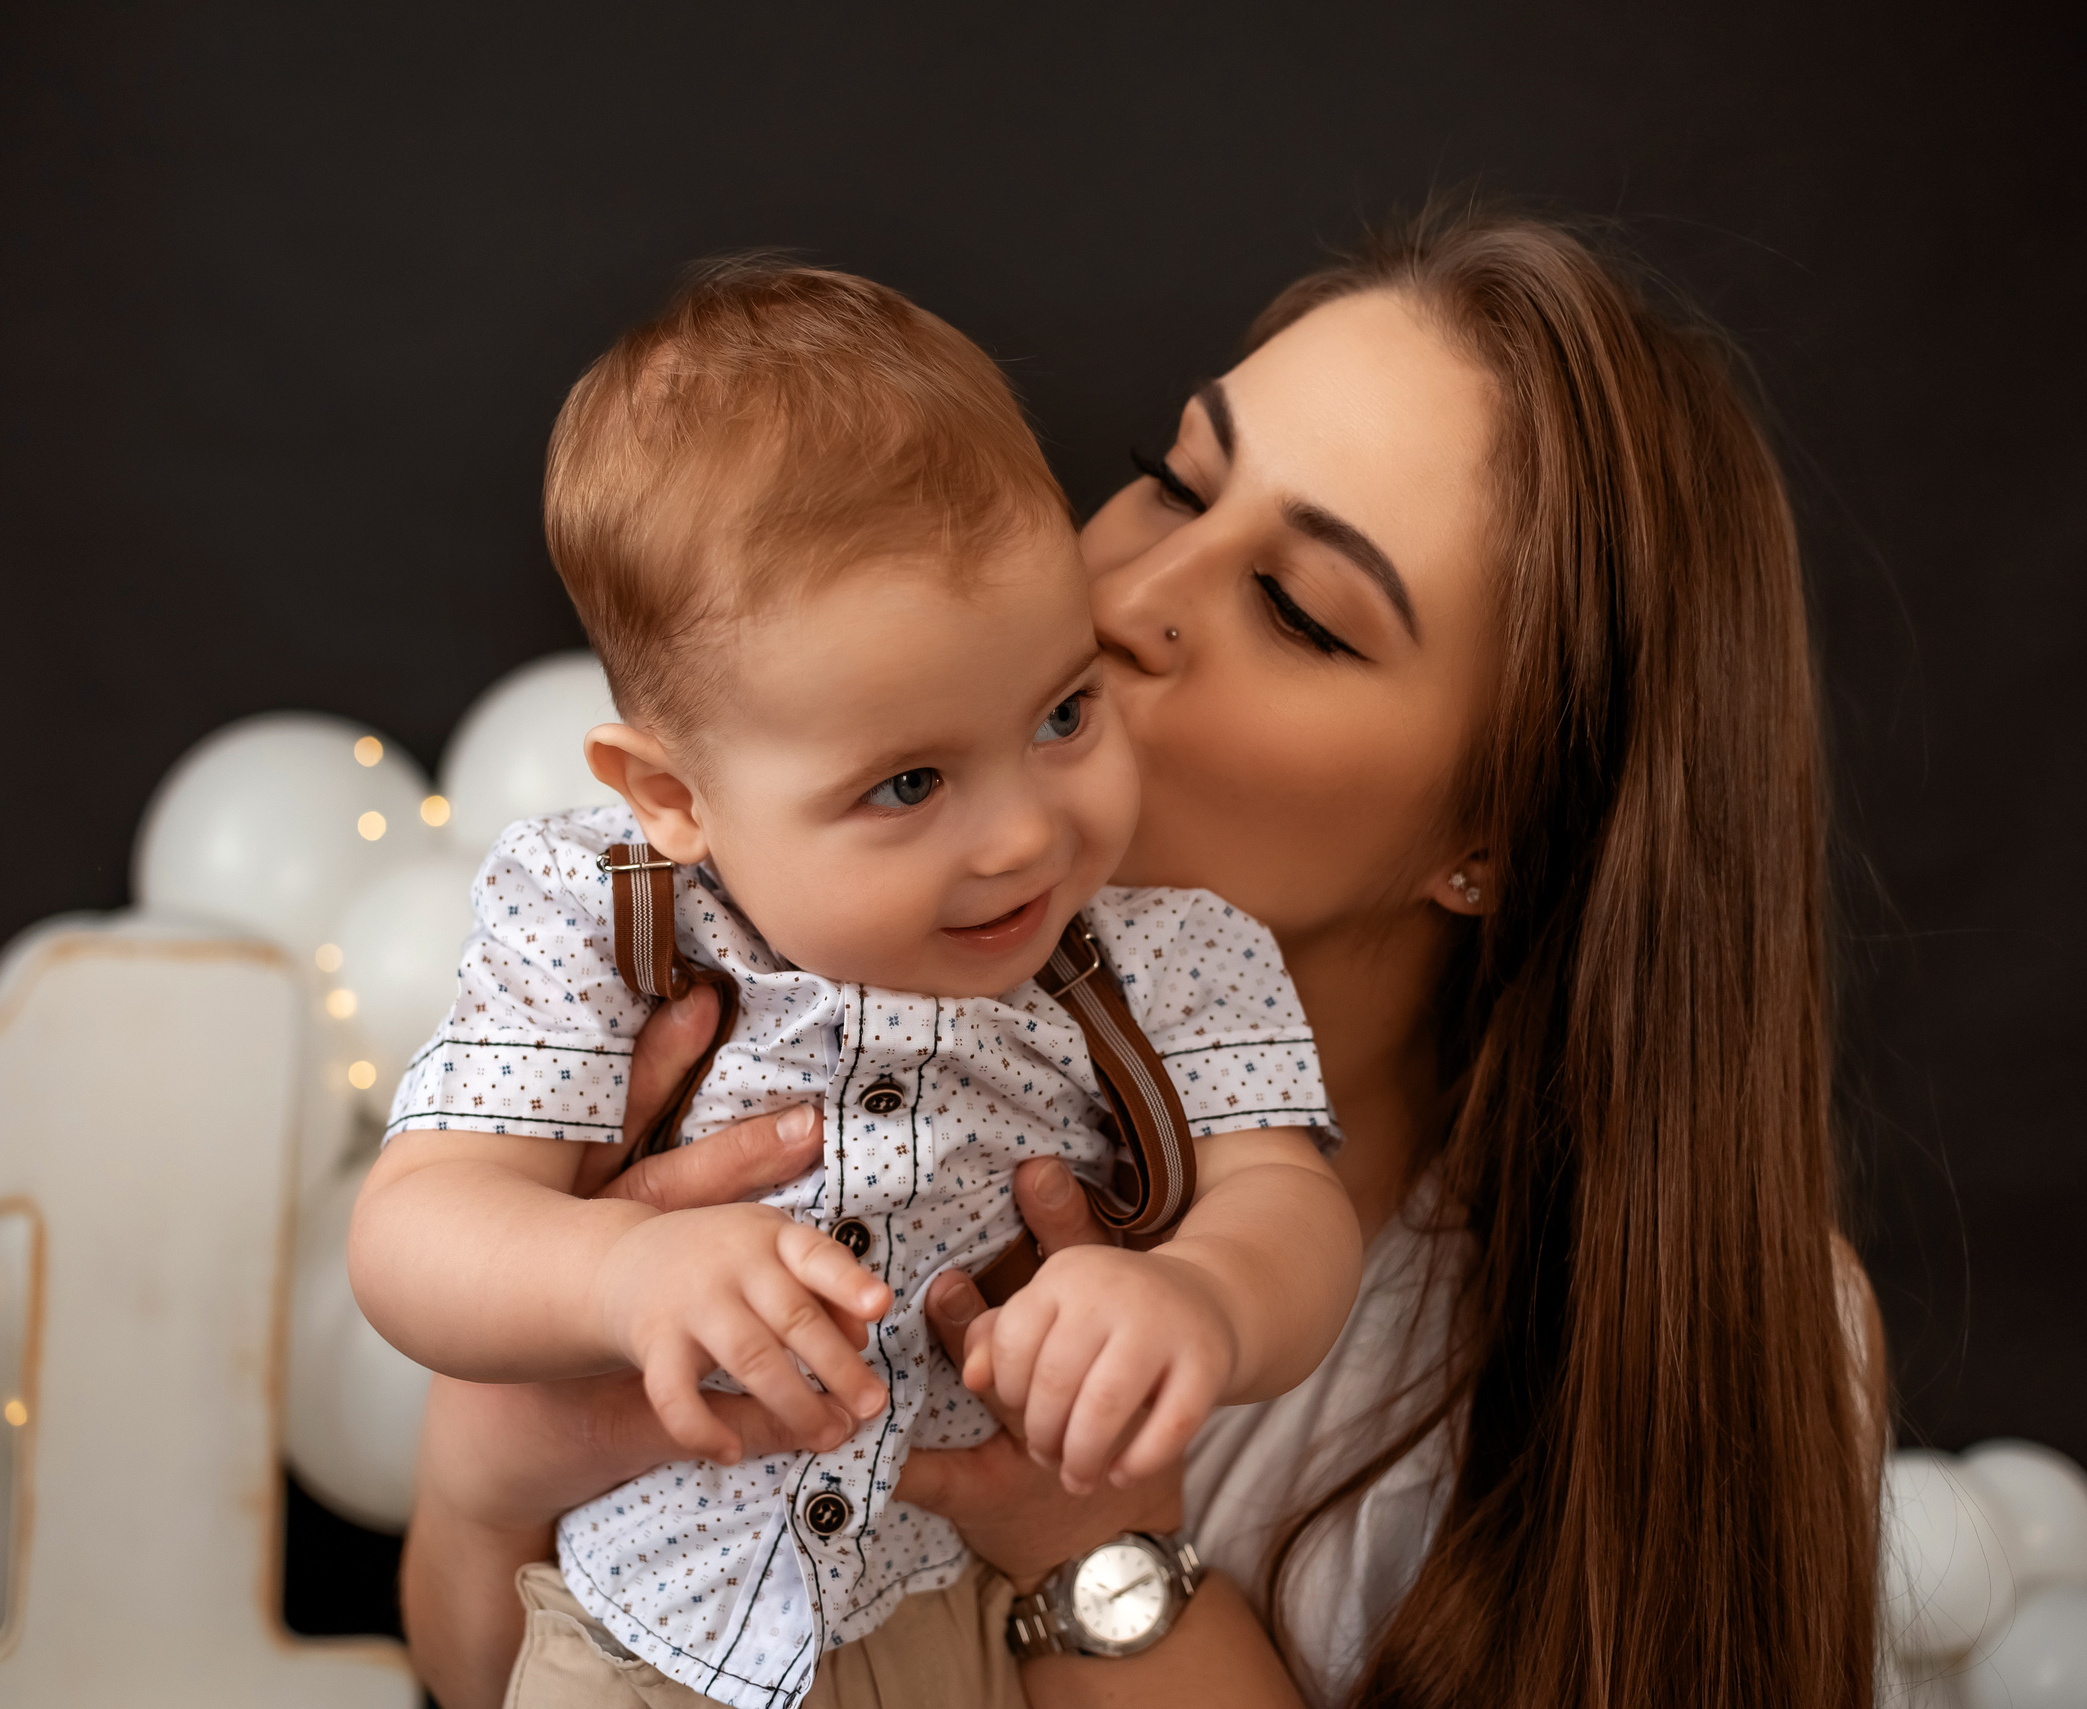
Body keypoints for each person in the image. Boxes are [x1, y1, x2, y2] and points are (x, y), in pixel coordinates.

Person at [400, 201, 1888, 1709]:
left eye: (1301, 612)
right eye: (1173, 485)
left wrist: (1095, 1551)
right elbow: (475, 1670)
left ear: (1496, 836)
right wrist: (494, 1459)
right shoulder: (707, 988)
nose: (1117, 602)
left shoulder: (1698, 1328)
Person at [347, 263, 1362, 1709]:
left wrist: (1202, 1295)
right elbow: (415, 1227)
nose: (1024, 832)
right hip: (655, 1631)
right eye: (907, 782)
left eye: (1062, 711)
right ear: (671, 795)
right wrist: (620, 1270)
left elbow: (1289, 1201)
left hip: (965, 1621)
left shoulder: (1160, 955)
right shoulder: (605, 916)